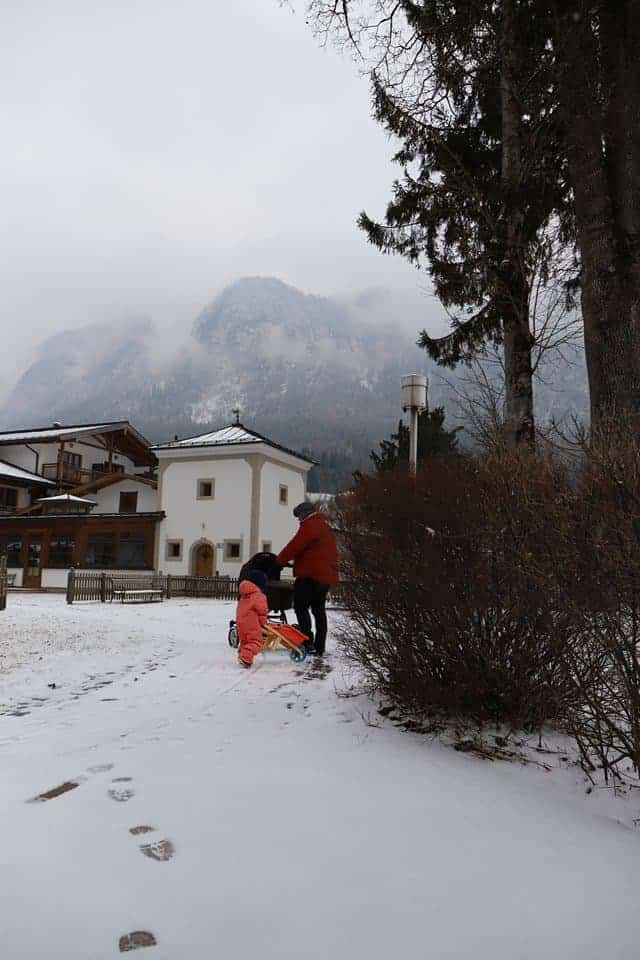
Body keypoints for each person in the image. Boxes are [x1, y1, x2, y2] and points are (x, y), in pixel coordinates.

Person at [276, 502, 339, 656]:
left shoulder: (310, 526)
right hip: (326, 577)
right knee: (318, 610)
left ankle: (306, 641)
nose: (299, 520)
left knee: (300, 606)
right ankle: (320, 646)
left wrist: (277, 563)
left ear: (305, 513)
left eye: (299, 517)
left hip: (311, 576)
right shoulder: (323, 525)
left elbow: (294, 546)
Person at [236, 569, 268, 668]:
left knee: (245, 641)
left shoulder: (244, 595)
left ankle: (243, 656)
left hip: (240, 622)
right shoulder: (259, 596)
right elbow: (262, 611)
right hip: (251, 623)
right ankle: (245, 658)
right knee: (256, 642)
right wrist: (263, 623)